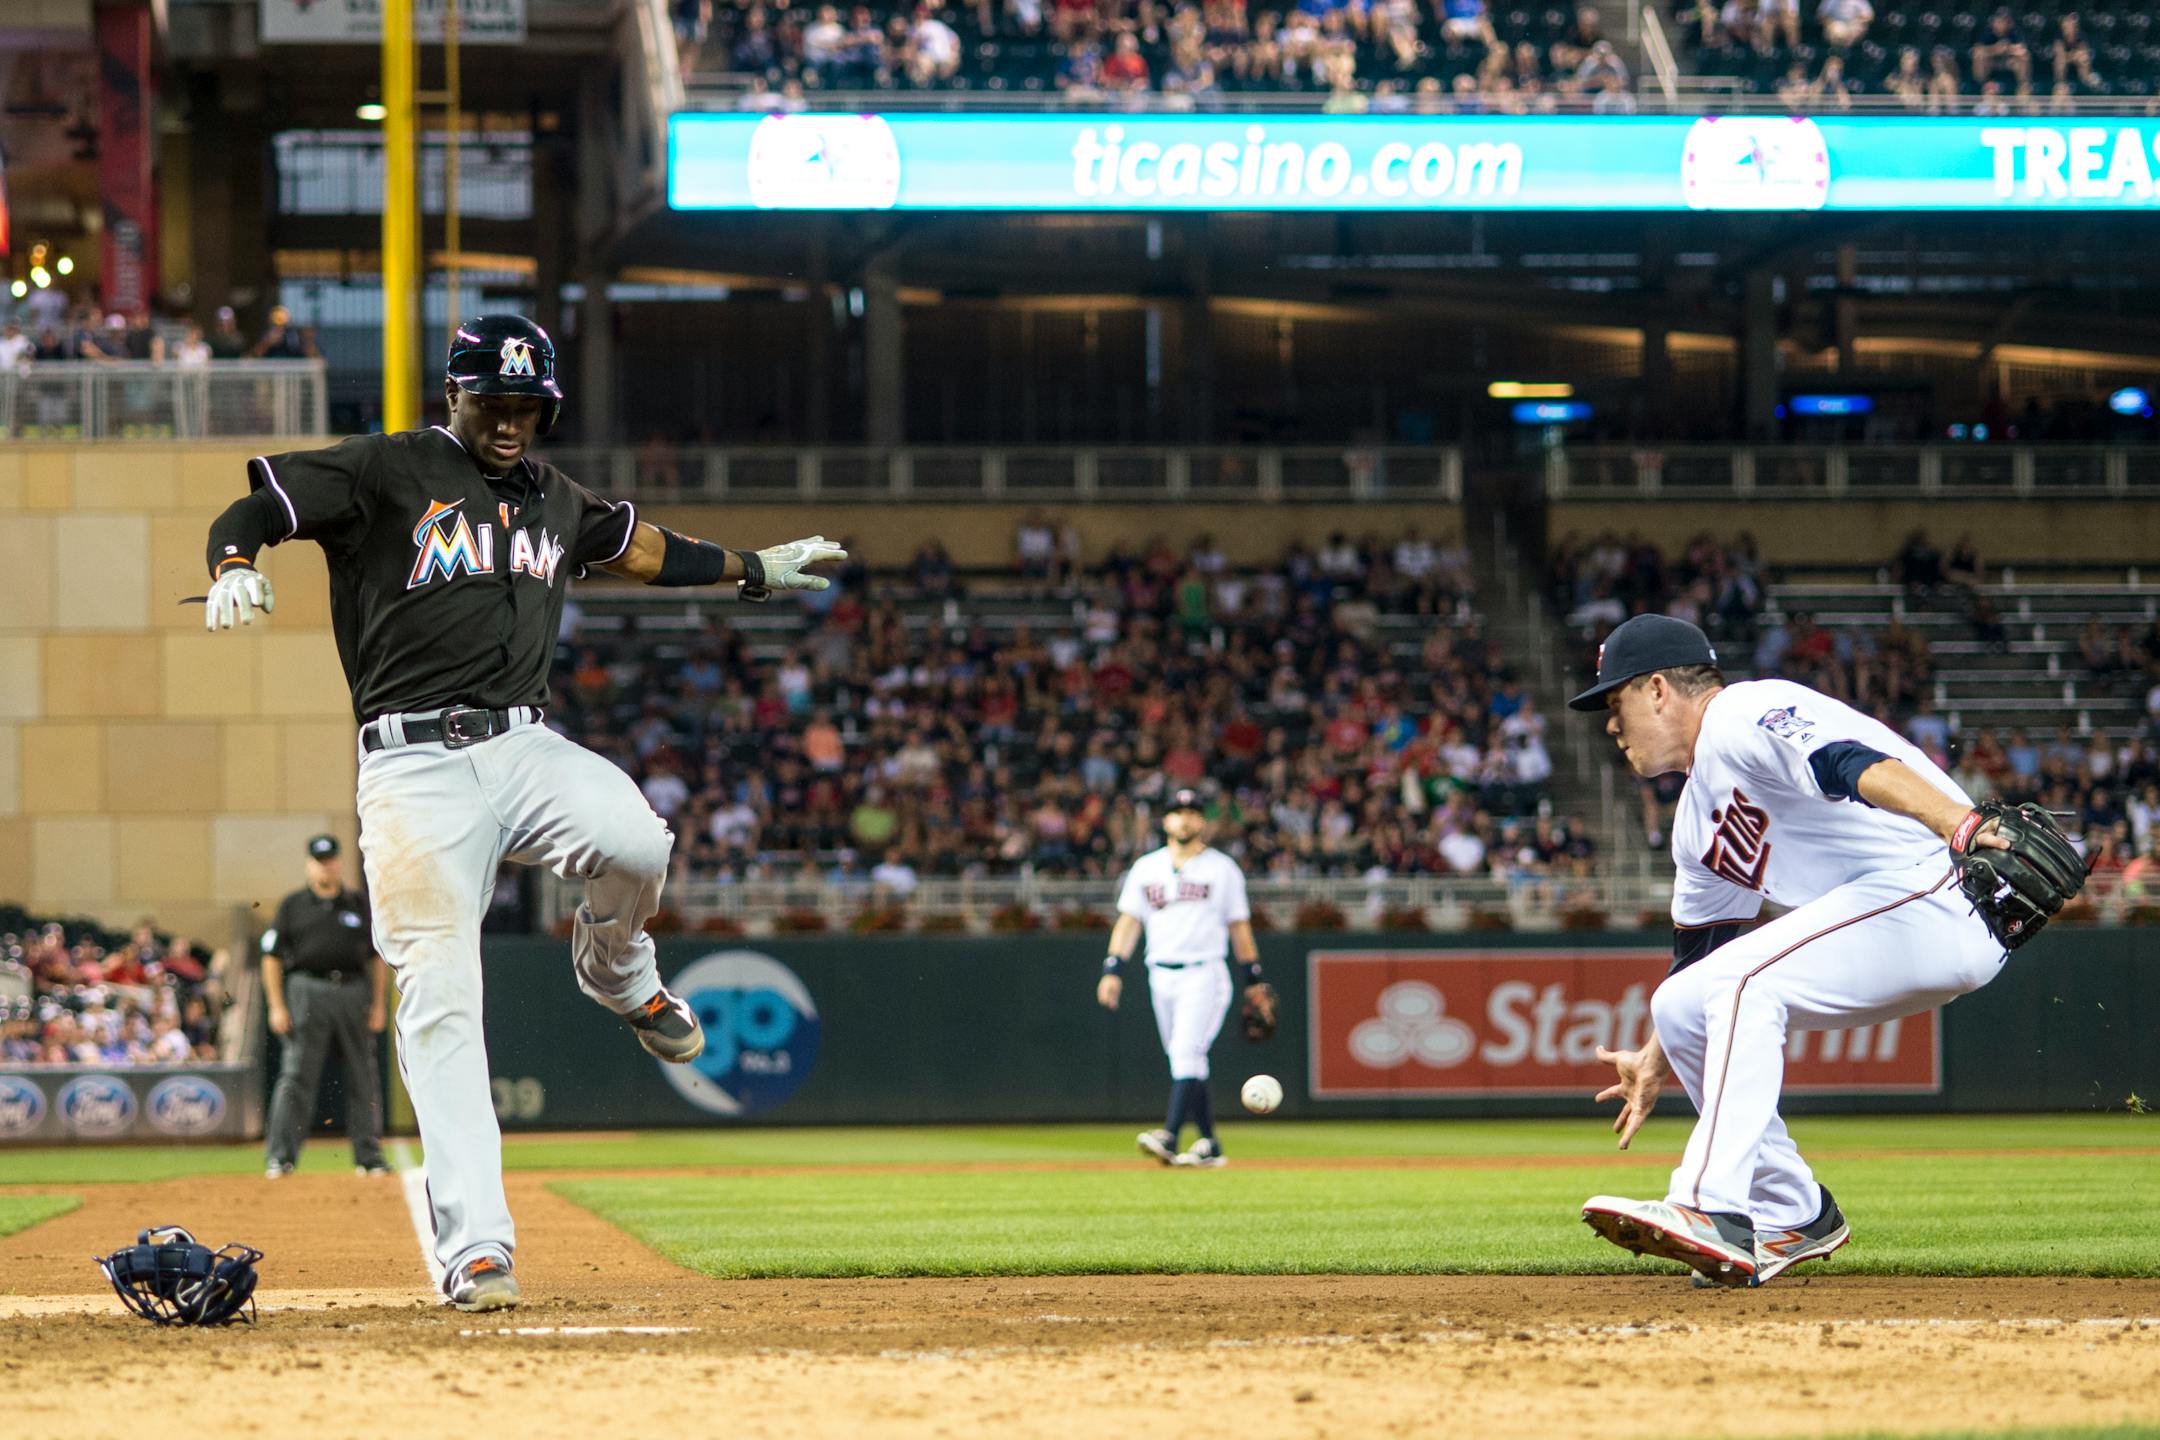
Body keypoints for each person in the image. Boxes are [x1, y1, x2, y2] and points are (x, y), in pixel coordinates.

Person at [198, 314, 845, 1312]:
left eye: (527, 405)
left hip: (522, 743)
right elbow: (256, 510)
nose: (509, 420)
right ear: (454, 394)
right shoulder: (387, 469)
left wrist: (752, 570)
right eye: (491, 402)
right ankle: (479, 1249)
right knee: (442, 995)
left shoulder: (555, 497)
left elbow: (643, 551)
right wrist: (234, 563)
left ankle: (620, 975)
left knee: (638, 836)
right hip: (411, 769)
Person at [1568, 614, 2080, 1286]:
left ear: (1659, 689)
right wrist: (1656, 1052)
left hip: (1939, 887)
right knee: (1682, 999)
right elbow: (1701, 959)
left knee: (1744, 984)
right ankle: (1795, 1211)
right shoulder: (1695, 826)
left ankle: (1708, 1206)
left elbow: (1850, 763)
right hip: (1896, 920)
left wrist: (1962, 824)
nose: (1611, 724)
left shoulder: (1740, 713)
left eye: (1617, 701)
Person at [1095, 788, 1275, 1168]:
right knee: (1188, 1061)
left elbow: (1239, 928)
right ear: (1166, 821)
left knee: (1185, 1053)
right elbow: (1129, 922)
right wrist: (1113, 969)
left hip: (1204, 972)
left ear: (1202, 821)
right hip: (1159, 973)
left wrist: (1253, 978)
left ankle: (1171, 1133)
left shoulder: (1221, 869)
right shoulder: (1146, 868)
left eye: (1193, 812)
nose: (1185, 818)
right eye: (1178, 812)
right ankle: (1210, 1142)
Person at [261, 835, 389, 1179]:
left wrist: (379, 1004)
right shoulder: (293, 906)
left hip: (351, 989)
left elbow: (376, 959)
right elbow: (271, 958)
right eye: (319, 860)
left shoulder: (357, 903)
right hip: (307, 989)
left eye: (331, 859)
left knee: (363, 1075)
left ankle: (368, 1156)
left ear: (339, 863)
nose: (326, 865)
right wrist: (276, 1005)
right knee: (296, 1075)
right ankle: (280, 1156)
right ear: (309, 864)